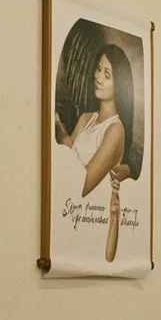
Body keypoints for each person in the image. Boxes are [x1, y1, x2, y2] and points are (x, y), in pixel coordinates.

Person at [55, 43, 133, 263]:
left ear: (120, 86)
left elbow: (84, 182)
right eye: (98, 69)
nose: (98, 77)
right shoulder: (85, 118)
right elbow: (68, 155)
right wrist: (61, 130)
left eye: (107, 74)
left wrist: (59, 129)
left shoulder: (115, 130)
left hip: (89, 224)